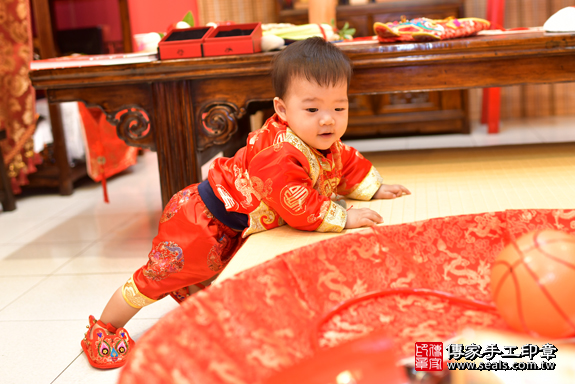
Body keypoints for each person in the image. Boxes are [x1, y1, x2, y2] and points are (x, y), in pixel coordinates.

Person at [81, 36, 411, 369]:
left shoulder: (320, 138)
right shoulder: (280, 152)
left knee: (218, 279)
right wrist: (343, 216)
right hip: (200, 222)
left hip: (231, 223)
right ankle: (105, 327)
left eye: (339, 108)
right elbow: (295, 203)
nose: (328, 119)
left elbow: (346, 163)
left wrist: (374, 187)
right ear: (281, 109)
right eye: (312, 109)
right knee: (155, 279)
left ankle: (202, 311)